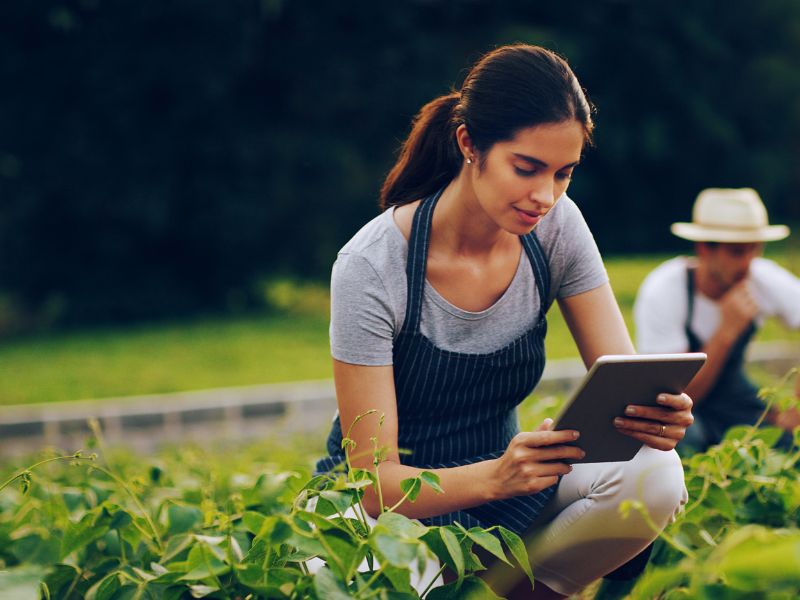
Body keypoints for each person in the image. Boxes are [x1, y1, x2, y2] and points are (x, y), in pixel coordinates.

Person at [316, 45, 694, 598]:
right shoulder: (371, 267)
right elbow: (373, 484)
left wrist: (652, 415)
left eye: (564, 173)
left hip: (508, 490)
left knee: (655, 475)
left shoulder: (557, 227)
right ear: (469, 143)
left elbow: (623, 376)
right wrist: (496, 476)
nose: (545, 195)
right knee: (396, 578)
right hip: (389, 512)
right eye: (527, 168)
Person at [634, 188, 800, 451]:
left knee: (781, 442)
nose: (748, 262)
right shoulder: (664, 289)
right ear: (704, 249)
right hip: (681, 407)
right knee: (683, 439)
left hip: (733, 396)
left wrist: (796, 408)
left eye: (754, 250)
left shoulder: (759, 276)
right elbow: (672, 399)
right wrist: (725, 333)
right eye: (736, 252)